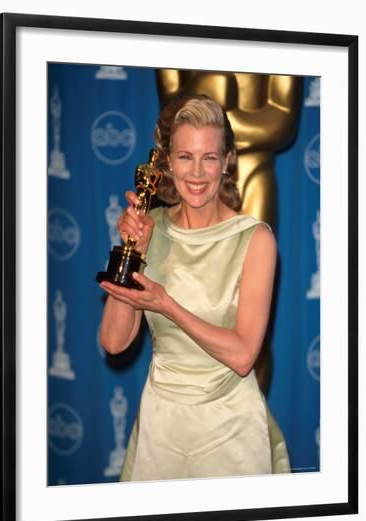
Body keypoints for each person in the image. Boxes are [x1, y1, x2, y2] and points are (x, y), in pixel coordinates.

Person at [99, 93, 290, 481]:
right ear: (168, 161)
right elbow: (114, 342)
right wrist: (134, 249)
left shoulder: (255, 240)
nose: (197, 173)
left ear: (227, 162)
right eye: (186, 157)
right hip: (161, 431)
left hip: (233, 434)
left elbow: (241, 356)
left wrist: (167, 305)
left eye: (209, 157)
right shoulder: (150, 227)